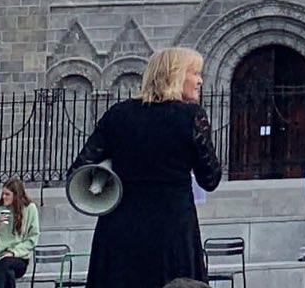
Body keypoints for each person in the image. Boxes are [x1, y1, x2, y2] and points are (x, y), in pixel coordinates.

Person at [67, 47, 222, 288]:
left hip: (120, 224)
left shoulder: (118, 114)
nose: (200, 80)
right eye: (195, 73)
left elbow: (79, 170)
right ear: (176, 74)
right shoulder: (190, 116)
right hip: (171, 227)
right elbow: (210, 179)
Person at [0, 178, 40, 288]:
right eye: (3, 194)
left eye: (7, 194)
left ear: (16, 195)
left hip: (18, 258)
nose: (3, 197)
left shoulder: (30, 209)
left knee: (5, 265)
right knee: (7, 273)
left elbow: (32, 238)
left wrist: (13, 252)